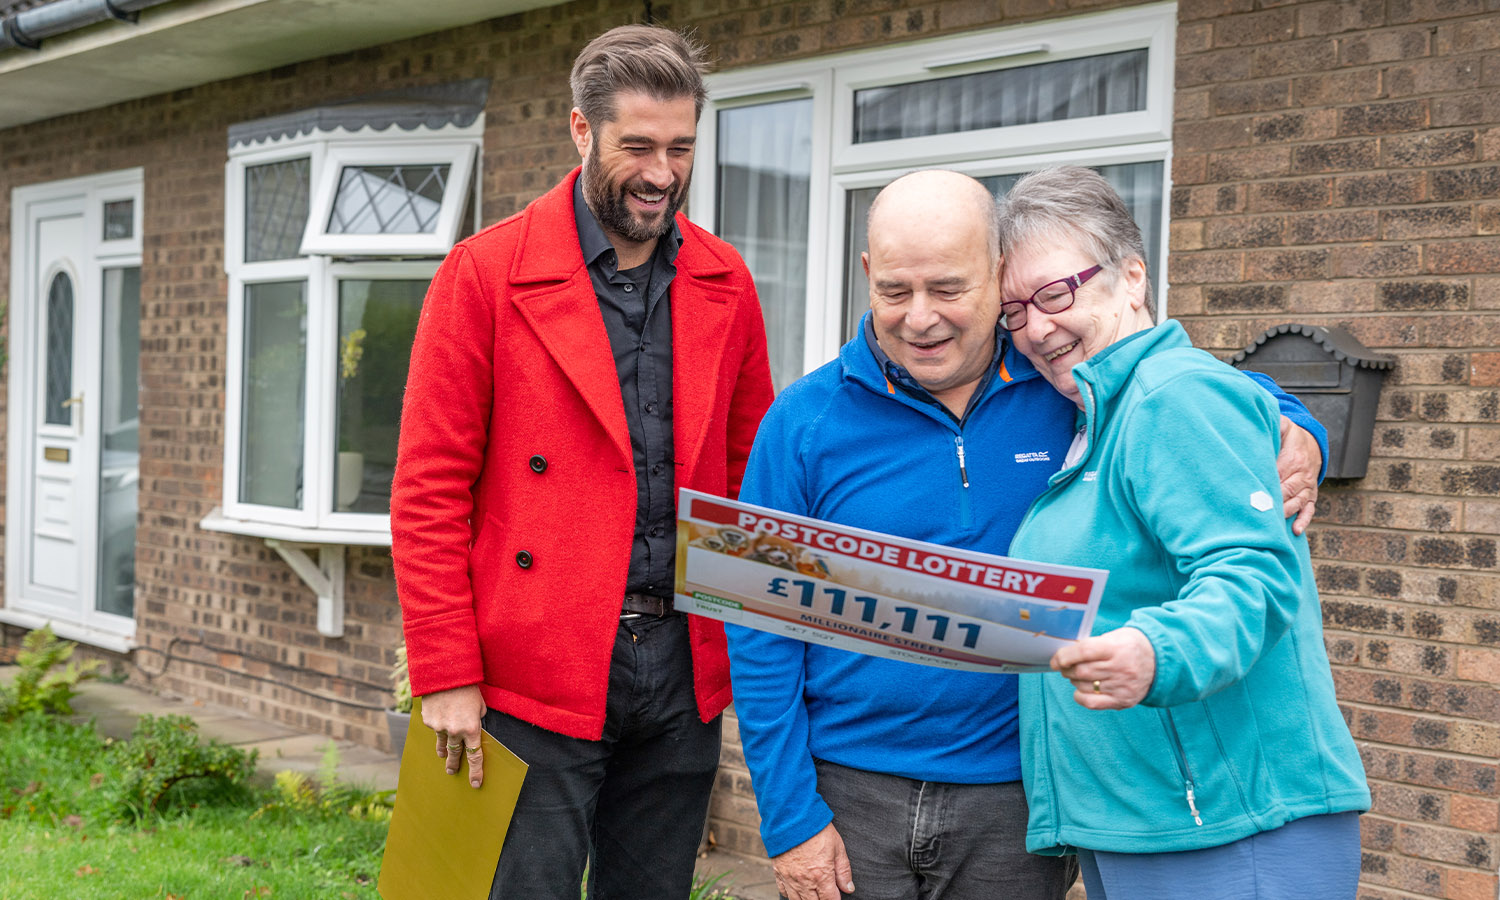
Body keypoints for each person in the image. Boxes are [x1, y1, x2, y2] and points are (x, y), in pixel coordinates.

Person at [724, 169, 1329, 900]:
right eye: (894, 291)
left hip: (1016, 796)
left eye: (949, 289)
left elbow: (1175, 383)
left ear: (996, 271)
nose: (920, 319)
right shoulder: (800, 420)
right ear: (866, 277)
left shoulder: (1065, 385)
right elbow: (759, 630)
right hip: (849, 792)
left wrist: (1298, 424)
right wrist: (790, 818)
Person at [389, 24, 775, 900]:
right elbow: (427, 491)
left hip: (681, 665)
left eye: (680, 147)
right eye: (637, 145)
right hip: (531, 669)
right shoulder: (484, 275)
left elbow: (754, 476)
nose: (661, 172)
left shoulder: (726, 279)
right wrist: (446, 672)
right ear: (580, 130)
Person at [999, 165, 1370, 899]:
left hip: (1235, 827)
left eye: (1054, 293)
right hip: (1147, 822)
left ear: (1132, 277)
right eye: (1014, 310)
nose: (1037, 327)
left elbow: (1254, 579)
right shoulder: (1094, 418)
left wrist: (1155, 650)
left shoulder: (1176, 397)